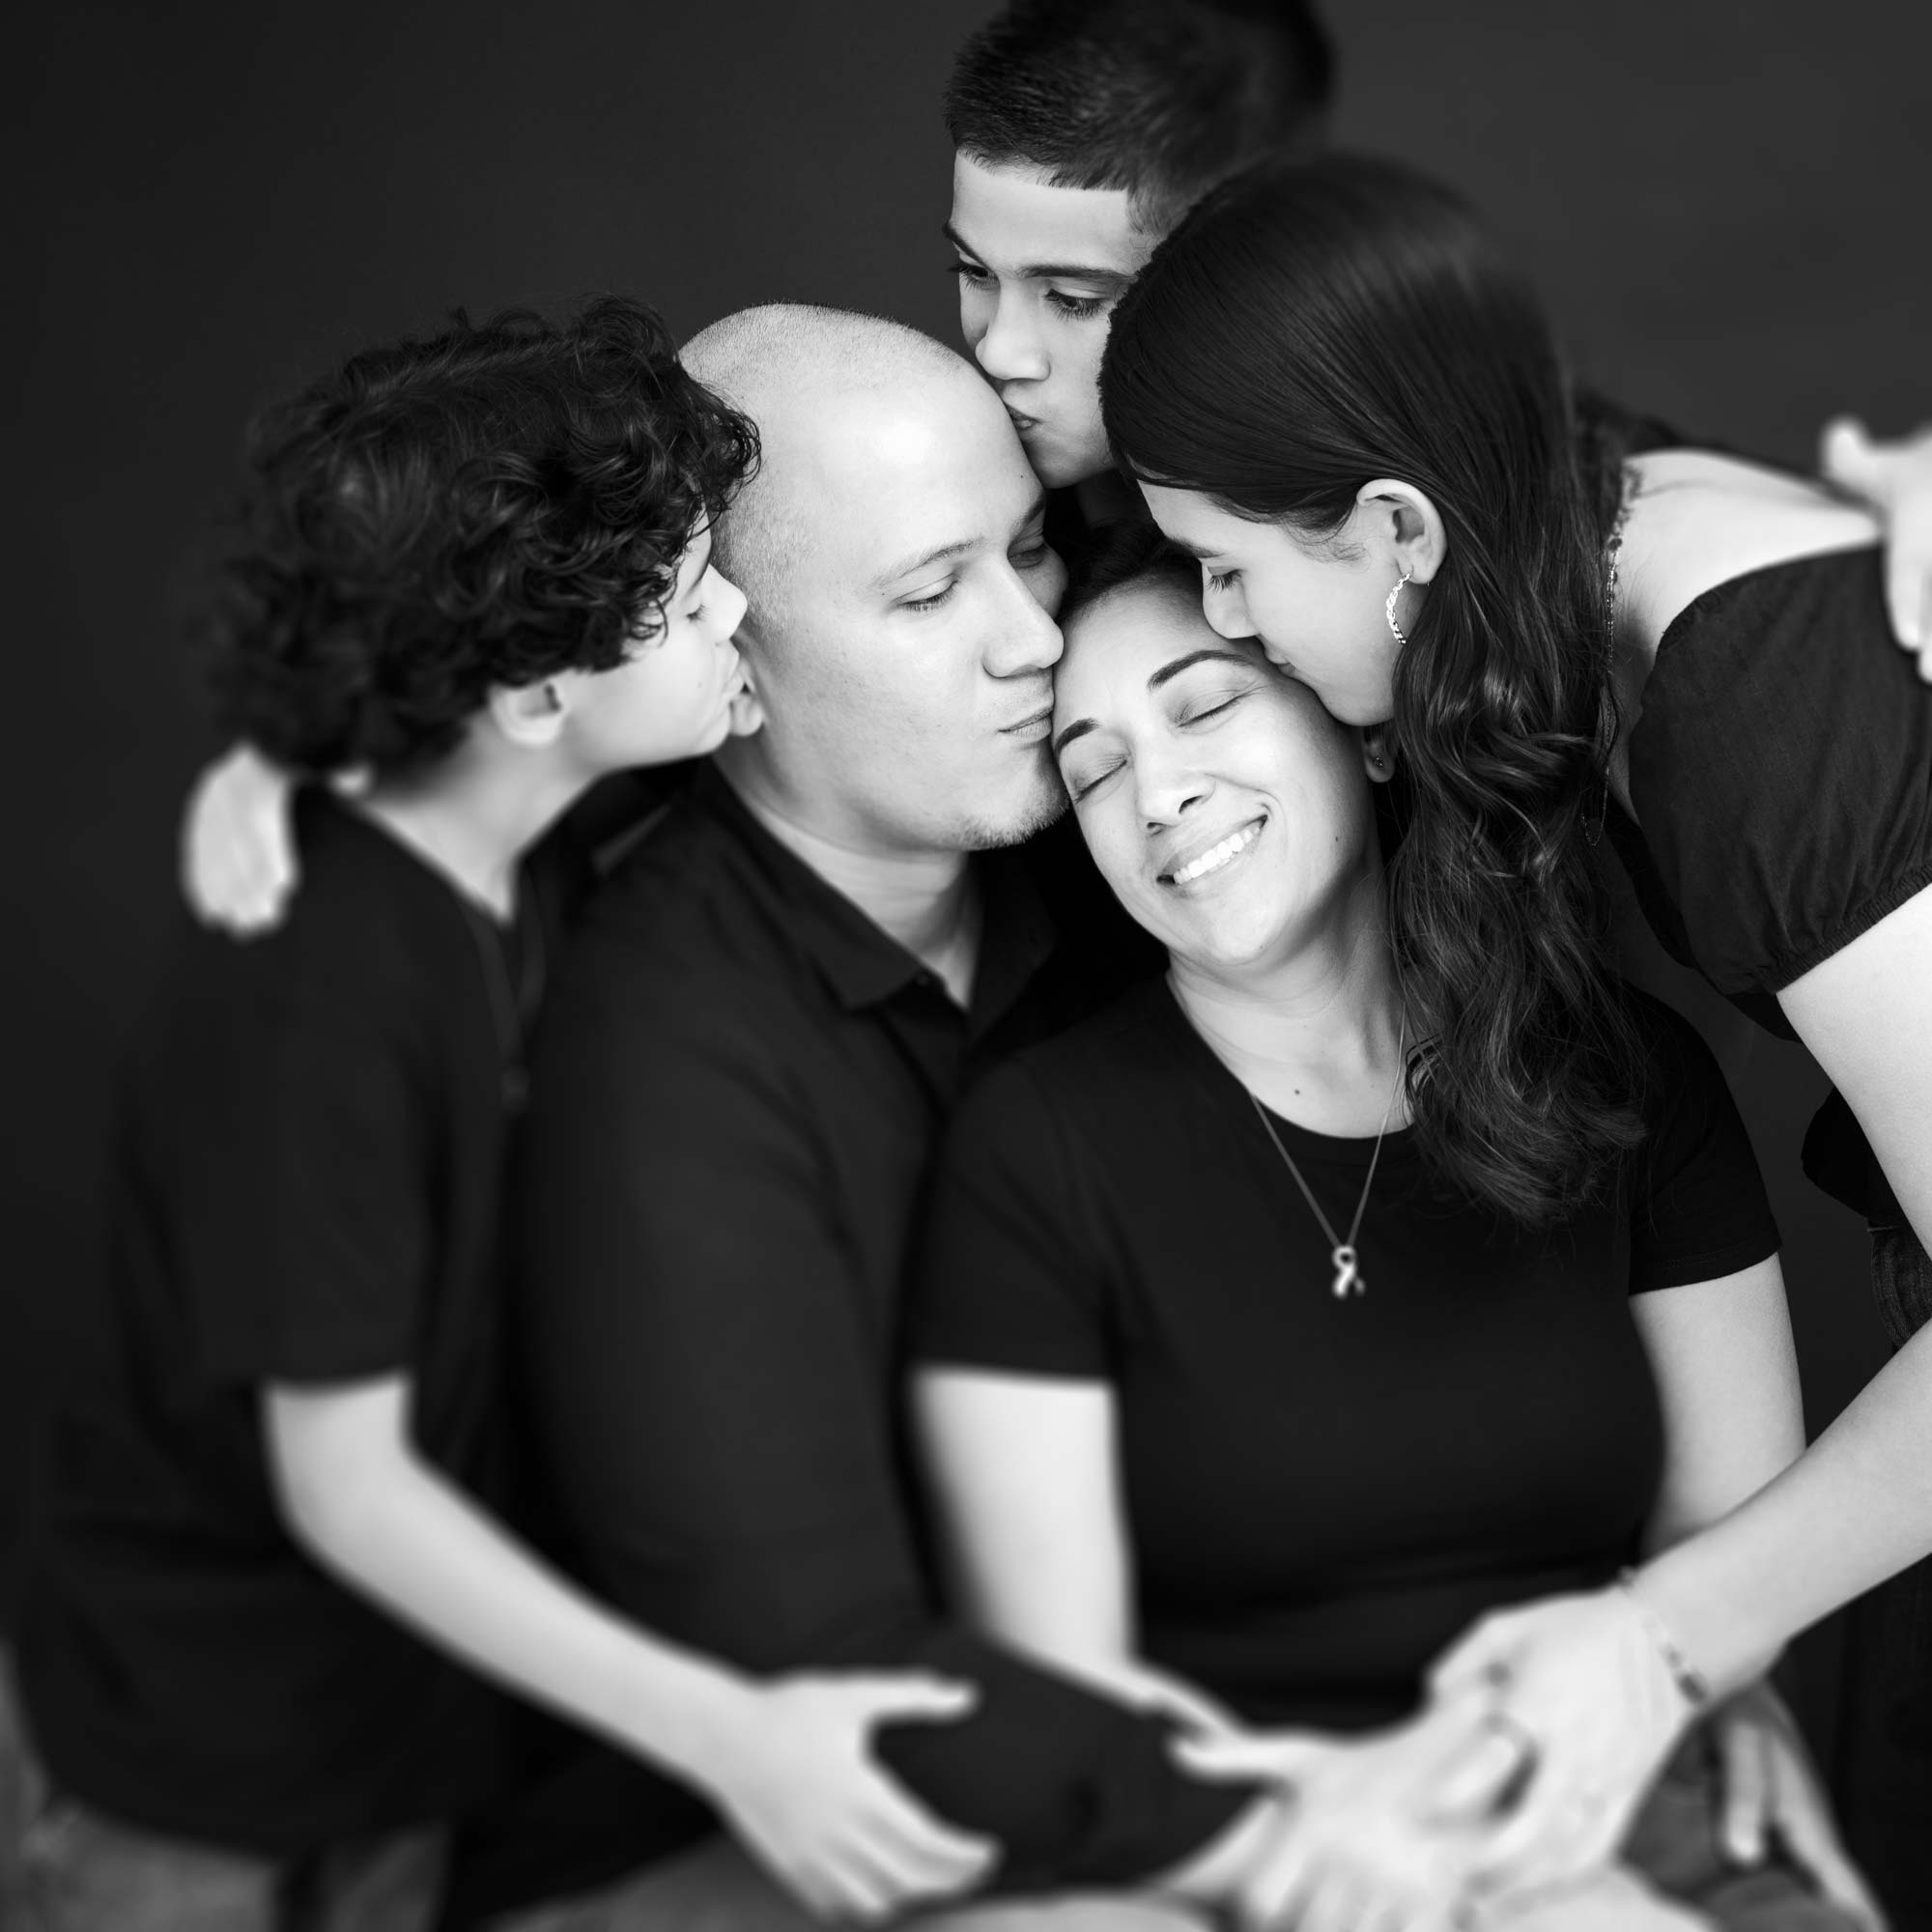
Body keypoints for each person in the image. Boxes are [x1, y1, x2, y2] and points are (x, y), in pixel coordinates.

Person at [13, 298, 1006, 1932]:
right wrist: (735, 1737)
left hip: (412, 1746)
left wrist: (275, 762)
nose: (741, 615)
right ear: (539, 694)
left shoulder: (522, 829)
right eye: (692, 599)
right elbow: (349, 1492)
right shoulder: (323, 995)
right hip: (202, 1776)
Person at [1098, 151, 1932, 1920]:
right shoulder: (1583, 523)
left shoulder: (1746, 706)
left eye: (1227, 570)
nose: (1228, 621)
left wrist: (1665, 1640)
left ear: (1401, 533)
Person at [446, 303, 1341, 1932]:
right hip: (720, 1838)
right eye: (931, 595)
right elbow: (835, 1677)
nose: (1032, 643)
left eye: (1028, 551)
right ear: (733, 663)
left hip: (1112, 1737)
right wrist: (1318, 1840)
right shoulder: (652, 1051)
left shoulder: (1113, 867)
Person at [910, 527, 1877, 1931]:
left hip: (1593, 1784)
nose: (1159, 794)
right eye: (1095, 769)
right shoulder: (1035, 1143)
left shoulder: (1622, 1077)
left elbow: (1727, 1557)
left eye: (1204, 705)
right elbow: (1061, 1711)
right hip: (1221, 1846)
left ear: (1362, 733)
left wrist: (1623, 1787)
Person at [939, 0, 1932, 644]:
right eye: (972, 273)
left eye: (1074, 298)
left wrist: (1878, 515)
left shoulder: (1525, 499)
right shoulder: (974, 525)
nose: (997, 351)